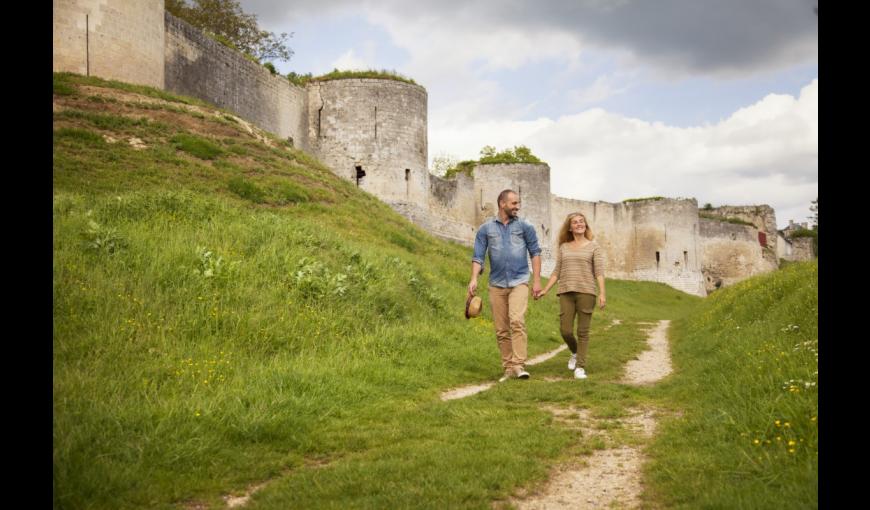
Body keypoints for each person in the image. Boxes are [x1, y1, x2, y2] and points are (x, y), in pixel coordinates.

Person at [468, 189, 542, 382]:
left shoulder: (526, 227)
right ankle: (508, 368)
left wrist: (536, 281)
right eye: (514, 203)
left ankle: (519, 365)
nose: (517, 207)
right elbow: (478, 256)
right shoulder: (485, 230)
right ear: (502, 204)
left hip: (519, 281)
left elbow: (535, 252)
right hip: (496, 283)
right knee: (501, 329)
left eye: (518, 203)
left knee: (516, 320)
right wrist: (474, 278)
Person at [535, 212, 606, 379]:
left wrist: (602, 293)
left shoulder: (594, 247)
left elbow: (599, 272)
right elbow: (556, 272)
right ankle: (575, 352)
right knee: (565, 330)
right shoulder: (564, 247)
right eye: (575, 222)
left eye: (582, 221)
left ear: (585, 225)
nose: (579, 224)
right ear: (570, 227)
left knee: (583, 331)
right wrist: (545, 289)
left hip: (587, 292)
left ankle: (580, 367)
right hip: (566, 291)